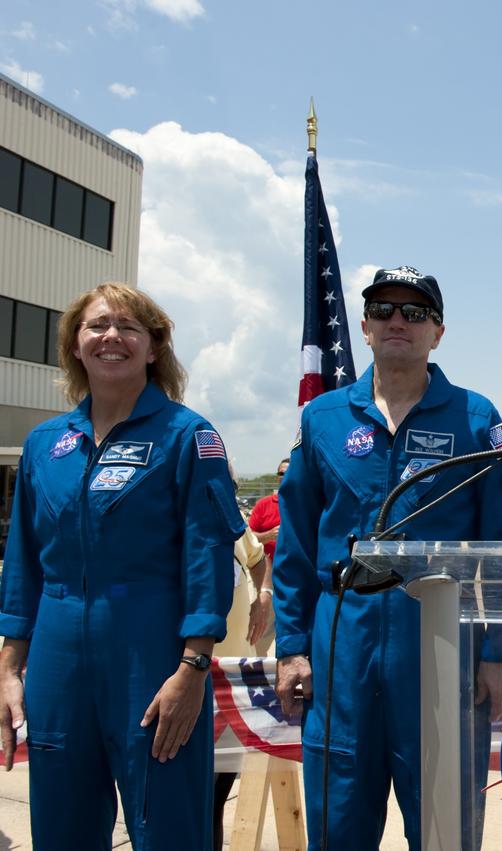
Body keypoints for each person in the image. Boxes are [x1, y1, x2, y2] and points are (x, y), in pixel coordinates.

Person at [272, 265, 502, 849]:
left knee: (445, 824)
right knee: (337, 819)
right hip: (343, 644)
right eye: (384, 310)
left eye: (415, 313)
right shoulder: (323, 418)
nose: (399, 321)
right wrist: (291, 647)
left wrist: (498, 651)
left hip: (440, 643)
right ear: (365, 327)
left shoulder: (475, 418)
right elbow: (293, 547)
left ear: (437, 333)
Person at [0, 282, 242, 849]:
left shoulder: (188, 436)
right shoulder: (44, 445)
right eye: (97, 325)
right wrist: (9, 668)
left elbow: (206, 558)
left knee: (167, 825)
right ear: (75, 344)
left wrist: (193, 668)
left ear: (153, 348)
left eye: (129, 327)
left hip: (151, 652)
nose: (112, 336)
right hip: (58, 654)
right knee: (61, 826)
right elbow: (23, 564)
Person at [212, 472, 275, 848]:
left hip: (234, 684)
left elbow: (256, 558)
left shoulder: (232, 522)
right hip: (187, 681)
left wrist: (263, 595)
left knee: (216, 799)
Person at [249, 457, 288, 565]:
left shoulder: (305, 505)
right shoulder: (263, 504)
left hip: (297, 569)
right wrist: (269, 535)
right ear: (277, 477)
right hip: (267, 568)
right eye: (281, 473)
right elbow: (249, 538)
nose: (284, 476)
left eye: (289, 472)